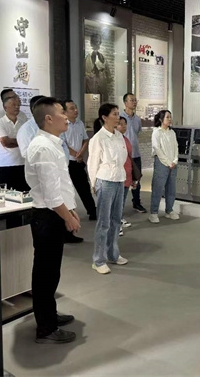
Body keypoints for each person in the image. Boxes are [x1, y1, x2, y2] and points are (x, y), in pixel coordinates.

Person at [25, 97, 80, 344]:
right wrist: (68, 217)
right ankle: (46, 328)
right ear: (48, 118)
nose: (66, 116)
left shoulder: (52, 144)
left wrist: (71, 210)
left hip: (55, 213)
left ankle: (50, 315)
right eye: (61, 112)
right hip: (48, 216)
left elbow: (60, 186)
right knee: (45, 274)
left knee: (51, 272)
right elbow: (50, 194)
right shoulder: (43, 147)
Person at [88, 103, 129, 274]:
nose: (118, 117)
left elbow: (123, 158)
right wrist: (93, 184)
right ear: (104, 117)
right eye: (114, 114)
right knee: (104, 222)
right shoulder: (98, 138)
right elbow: (92, 163)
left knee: (116, 220)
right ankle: (98, 260)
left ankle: (113, 254)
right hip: (105, 181)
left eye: (118, 113)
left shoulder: (119, 136)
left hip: (119, 180)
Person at [64, 99, 97, 221]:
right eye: (72, 108)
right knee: (67, 190)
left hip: (78, 161)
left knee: (84, 188)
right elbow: (62, 143)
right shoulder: (63, 124)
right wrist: (75, 154)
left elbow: (85, 139)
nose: (76, 110)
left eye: (76, 107)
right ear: (65, 111)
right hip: (67, 162)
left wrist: (81, 153)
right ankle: (69, 215)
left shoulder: (80, 123)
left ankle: (92, 211)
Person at [149, 110, 179, 223]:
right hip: (161, 163)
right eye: (167, 117)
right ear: (161, 119)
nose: (170, 119)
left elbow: (176, 147)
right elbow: (157, 149)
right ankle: (153, 212)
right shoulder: (157, 132)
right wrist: (167, 162)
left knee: (171, 188)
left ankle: (169, 210)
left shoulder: (172, 132)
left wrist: (175, 160)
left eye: (170, 117)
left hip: (173, 163)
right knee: (158, 188)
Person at [121, 93, 147, 213]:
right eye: (131, 100)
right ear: (125, 103)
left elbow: (137, 134)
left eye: (135, 100)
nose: (134, 102)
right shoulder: (120, 118)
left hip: (136, 154)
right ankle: (119, 207)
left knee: (137, 180)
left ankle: (136, 203)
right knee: (123, 181)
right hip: (124, 155)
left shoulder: (137, 119)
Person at [0, 93, 28, 191]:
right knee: (7, 193)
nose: (17, 107)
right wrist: (21, 141)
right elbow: (5, 142)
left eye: (18, 105)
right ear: (5, 107)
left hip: (22, 163)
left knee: (23, 192)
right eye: (13, 105)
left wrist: (14, 141)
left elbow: (27, 141)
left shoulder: (23, 122)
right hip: (6, 164)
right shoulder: (0, 122)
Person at [116, 116, 138, 233]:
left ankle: (119, 218)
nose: (124, 126)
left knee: (122, 200)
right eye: (120, 124)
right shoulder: (114, 140)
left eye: (125, 124)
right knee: (117, 202)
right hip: (118, 175)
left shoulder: (125, 139)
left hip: (127, 173)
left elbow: (130, 158)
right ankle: (115, 224)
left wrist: (133, 176)